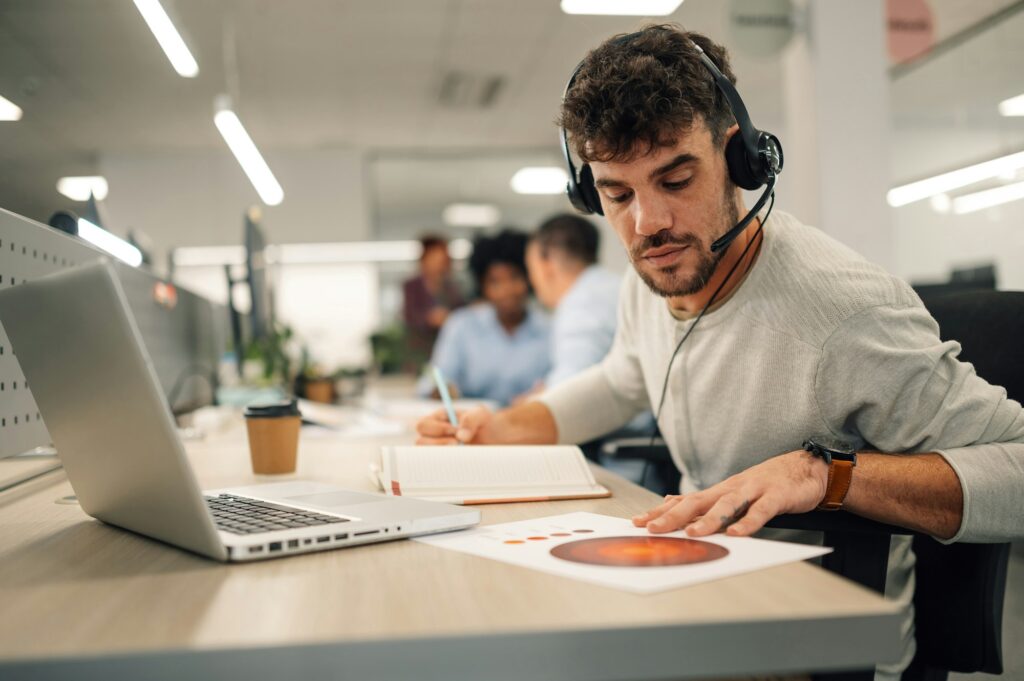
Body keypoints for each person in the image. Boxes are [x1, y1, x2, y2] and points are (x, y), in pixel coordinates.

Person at [418, 25, 1024, 679]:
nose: (648, 223)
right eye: (617, 194)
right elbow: (624, 377)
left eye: (676, 178)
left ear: (741, 159)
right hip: (696, 601)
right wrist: (501, 427)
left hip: (814, 646)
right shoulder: (652, 271)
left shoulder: (845, 312)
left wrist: (828, 475)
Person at [418, 229, 550, 407]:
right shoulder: (461, 326)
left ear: (529, 279)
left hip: (531, 427)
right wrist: (442, 389)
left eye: (515, 277)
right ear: (483, 286)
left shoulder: (550, 328)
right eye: (495, 282)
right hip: (473, 426)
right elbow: (433, 381)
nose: (507, 290)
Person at [525, 213, 621, 388]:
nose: (532, 281)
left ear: (547, 265)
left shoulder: (581, 306)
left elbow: (571, 386)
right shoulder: (614, 285)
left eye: (531, 269)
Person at [402, 235, 465, 363]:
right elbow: (409, 316)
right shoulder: (412, 287)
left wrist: (450, 318)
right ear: (424, 259)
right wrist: (429, 318)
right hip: (420, 352)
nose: (439, 264)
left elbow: (462, 313)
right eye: (435, 258)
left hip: (449, 351)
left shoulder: (452, 288)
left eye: (443, 259)